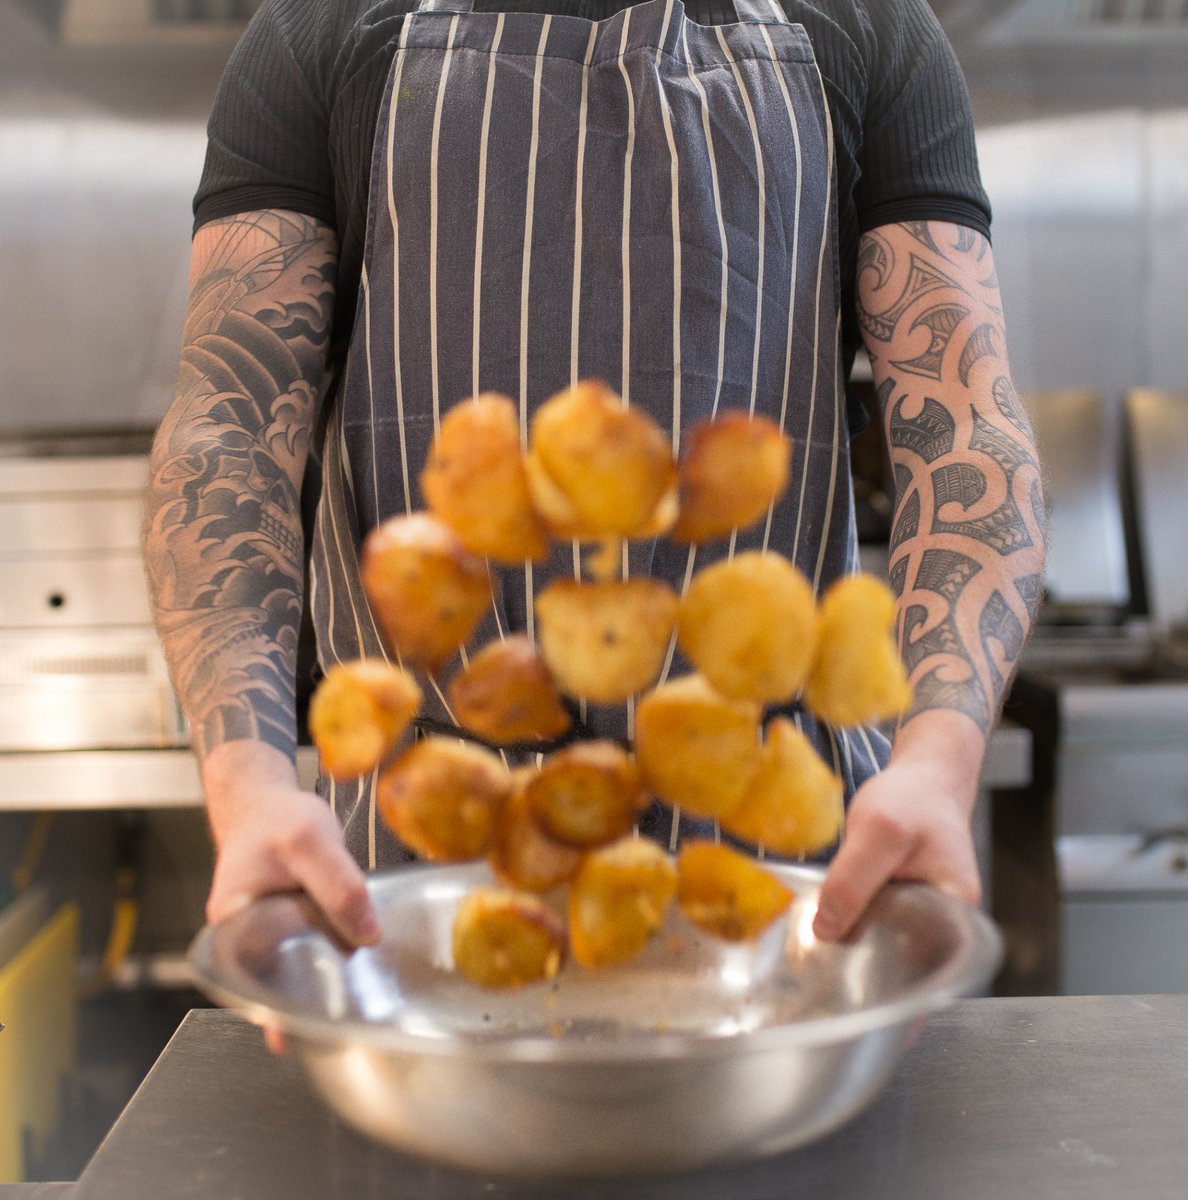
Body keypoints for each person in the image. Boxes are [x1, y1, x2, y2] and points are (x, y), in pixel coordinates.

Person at [143, 0, 1046, 952]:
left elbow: (965, 427)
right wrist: (248, 790)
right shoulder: (327, 29)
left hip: (773, 870)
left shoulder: (862, 26)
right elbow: (231, 429)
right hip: (424, 866)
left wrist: (936, 767)